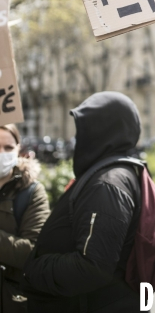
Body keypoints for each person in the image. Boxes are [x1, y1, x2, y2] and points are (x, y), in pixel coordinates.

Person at [20, 92, 143, 313]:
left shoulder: (108, 184)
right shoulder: (109, 173)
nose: (78, 138)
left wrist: (33, 269)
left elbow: (92, 267)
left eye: (84, 129)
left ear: (102, 130)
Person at [0, 124, 50, 313]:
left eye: (8, 148)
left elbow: (33, 251)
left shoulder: (31, 192)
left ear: (18, 149)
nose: (2, 153)